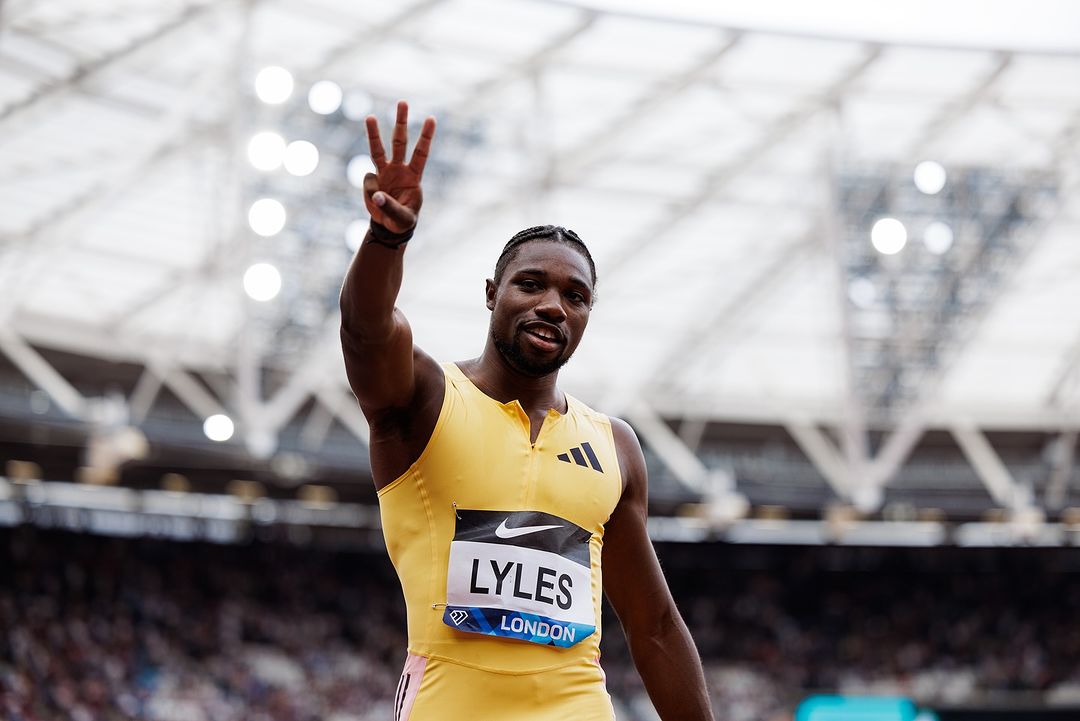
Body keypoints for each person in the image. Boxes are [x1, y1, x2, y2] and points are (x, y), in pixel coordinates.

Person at [340, 101, 712, 721]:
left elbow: (654, 628)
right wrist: (387, 239)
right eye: (531, 284)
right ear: (492, 294)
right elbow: (366, 330)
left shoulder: (614, 445)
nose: (553, 305)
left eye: (575, 296)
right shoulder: (426, 398)